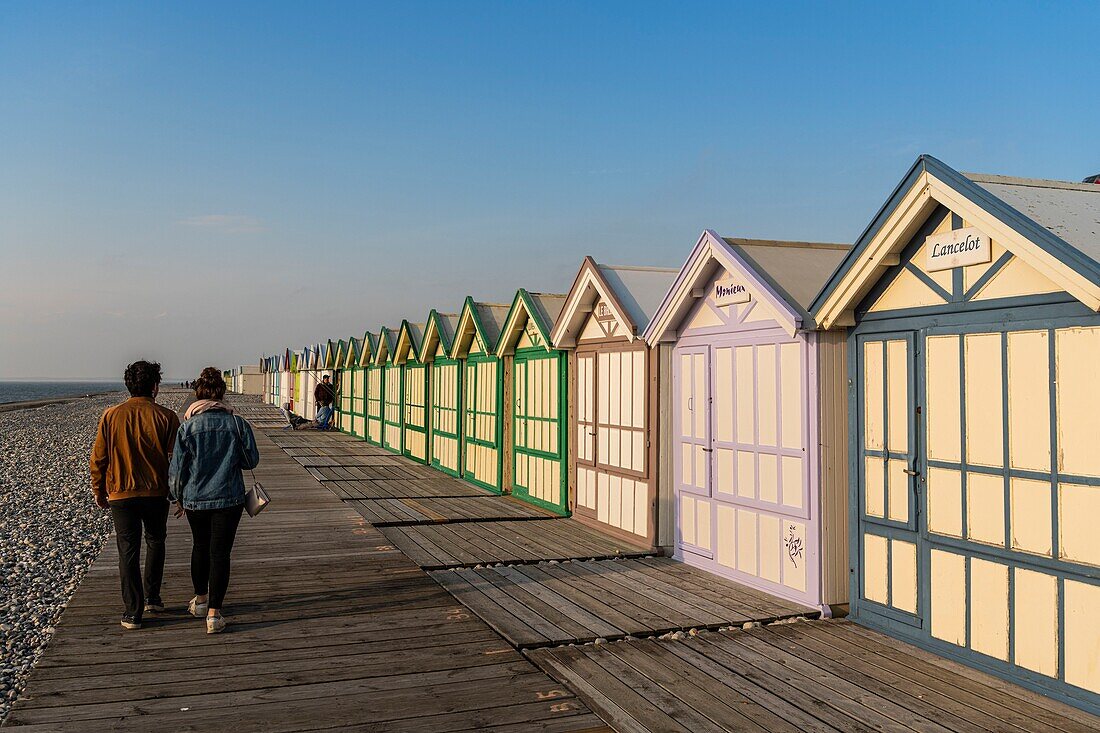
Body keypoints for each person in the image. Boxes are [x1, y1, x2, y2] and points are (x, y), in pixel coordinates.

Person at [90, 360, 180, 630]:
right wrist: (177, 494)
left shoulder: (110, 415)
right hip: (155, 491)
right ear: (155, 386)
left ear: (128, 385)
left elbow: (99, 459)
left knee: (127, 550)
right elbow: (176, 461)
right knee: (156, 541)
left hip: (121, 492)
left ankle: (132, 612)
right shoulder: (166, 416)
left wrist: (98, 490)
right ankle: (152, 597)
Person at [169, 367, 260, 634]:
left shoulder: (187, 427)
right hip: (229, 499)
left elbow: (177, 468)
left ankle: (200, 600)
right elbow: (250, 461)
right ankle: (214, 615)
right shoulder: (237, 424)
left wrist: (176, 497)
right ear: (221, 394)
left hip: (195, 499)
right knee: (220, 554)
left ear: (198, 394)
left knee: (200, 547)